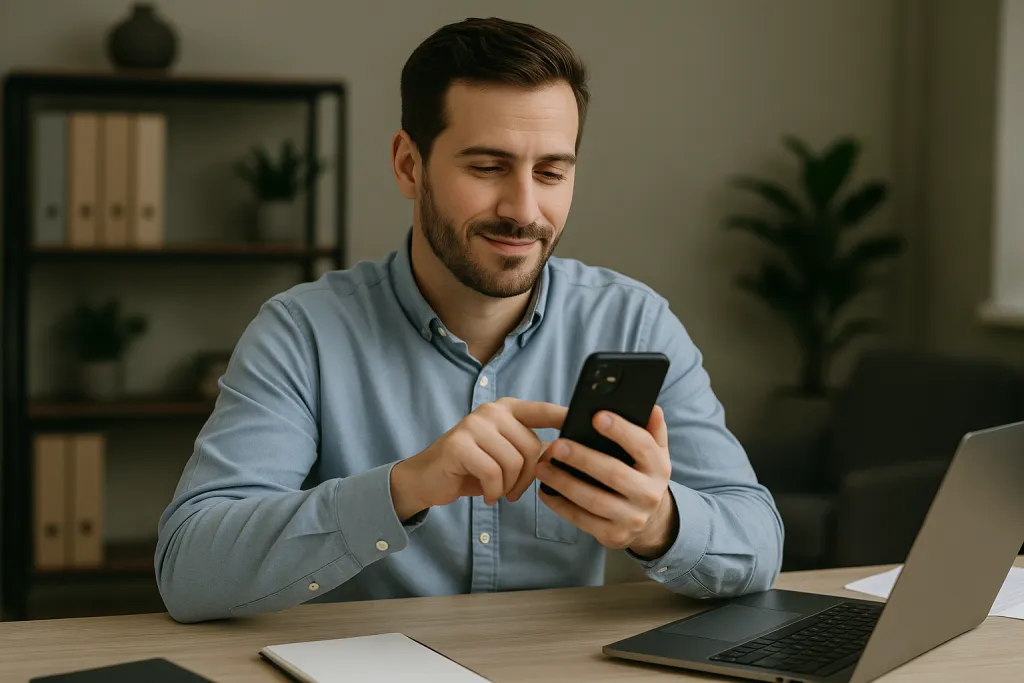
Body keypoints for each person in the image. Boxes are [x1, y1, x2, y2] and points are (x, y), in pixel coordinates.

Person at [155, 16, 783, 624]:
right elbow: (189, 572)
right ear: (409, 165)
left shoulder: (635, 321)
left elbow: (758, 543)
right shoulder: (302, 332)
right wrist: (403, 488)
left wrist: (657, 524)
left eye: (551, 172)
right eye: (487, 167)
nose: (524, 209)